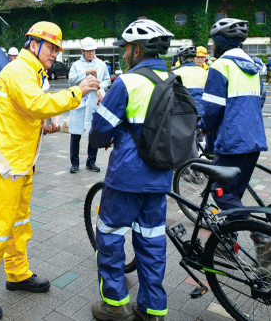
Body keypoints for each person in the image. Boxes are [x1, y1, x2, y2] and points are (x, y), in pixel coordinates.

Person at [0, 21, 99, 321]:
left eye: (57, 50)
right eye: (51, 48)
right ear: (33, 44)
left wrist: (44, 124)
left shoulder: (31, 72)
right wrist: (78, 92)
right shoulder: (21, 70)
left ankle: (18, 273)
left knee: (19, 225)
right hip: (3, 165)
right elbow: (35, 104)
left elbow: (23, 112)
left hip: (18, 163)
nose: (54, 55)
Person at [88, 19, 173, 321]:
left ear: (137, 50)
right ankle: (153, 307)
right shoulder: (173, 81)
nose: (124, 54)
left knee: (110, 235)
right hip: (160, 178)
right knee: (151, 241)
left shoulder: (128, 82)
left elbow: (100, 130)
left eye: (125, 48)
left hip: (125, 177)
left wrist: (107, 137)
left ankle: (115, 304)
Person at [199, 19, 271, 264]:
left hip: (231, 140)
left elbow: (212, 107)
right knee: (234, 197)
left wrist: (204, 127)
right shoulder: (253, 65)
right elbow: (260, 99)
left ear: (219, 42)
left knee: (221, 192)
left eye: (213, 41)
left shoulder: (221, 65)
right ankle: (228, 245)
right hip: (254, 138)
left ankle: (263, 241)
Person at [68, 37, 111, 173]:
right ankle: (74, 163)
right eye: (88, 51)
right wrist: (84, 73)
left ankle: (91, 162)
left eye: (92, 50)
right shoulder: (76, 65)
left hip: (93, 103)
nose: (91, 53)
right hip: (79, 104)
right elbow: (71, 80)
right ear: (82, 51)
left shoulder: (101, 64)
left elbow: (107, 80)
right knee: (75, 135)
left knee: (93, 134)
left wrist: (97, 85)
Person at [172, 45, 207, 161]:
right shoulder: (203, 72)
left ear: (180, 58)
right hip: (200, 112)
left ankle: (196, 171)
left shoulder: (175, 72)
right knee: (196, 138)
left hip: (184, 112)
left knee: (187, 140)